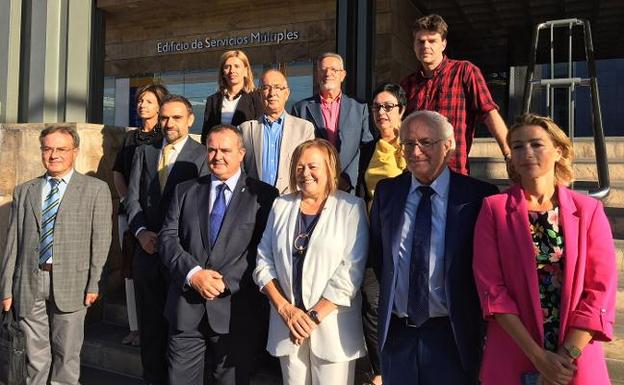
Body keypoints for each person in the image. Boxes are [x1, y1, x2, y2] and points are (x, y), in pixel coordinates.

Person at [472, 113, 616, 385]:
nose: (526, 152)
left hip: (575, 358)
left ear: (559, 151)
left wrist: (563, 358)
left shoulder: (588, 211)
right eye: (517, 146)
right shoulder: (494, 209)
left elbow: (599, 291)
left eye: (536, 144)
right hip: (514, 352)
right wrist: (539, 358)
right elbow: (492, 290)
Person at [369, 110, 498, 385]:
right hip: (399, 337)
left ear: (448, 145)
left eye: (426, 142)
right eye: (408, 143)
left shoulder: (478, 197)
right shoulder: (387, 193)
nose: (415, 151)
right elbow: (379, 258)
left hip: (452, 336)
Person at [159, 124, 278, 385]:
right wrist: (194, 274)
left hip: (236, 311)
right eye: (212, 150)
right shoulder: (185, 190)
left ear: (241, 153)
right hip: (186, 309)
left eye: (225, 150)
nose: (217, 156)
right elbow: (167, 239)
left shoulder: (264, 196)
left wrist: (225, 282)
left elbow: (262, 250)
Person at [0, 125, 112, 385]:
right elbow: (12, 244)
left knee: (66, 355)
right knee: (33, 356)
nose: (53, 155)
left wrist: (95, 282)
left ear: (74, 151)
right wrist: (6, 289)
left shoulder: (96, 190)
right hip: (28, 281)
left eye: (61, 149)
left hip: (73, 282)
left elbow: (102, 241)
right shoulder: (25, 190)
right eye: (47, 148)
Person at [253, 139, 368, 385]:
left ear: (329, 168)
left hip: (332, 331)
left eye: (313, 166)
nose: (305, 173)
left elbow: (350, 273)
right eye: (299, 167)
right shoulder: (281, 205)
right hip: (287, 326)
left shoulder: (351, 208)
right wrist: (286, 310)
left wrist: (312, 318)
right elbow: (263, 261)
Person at [125, 94, 209, 385]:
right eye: (164, 118)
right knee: (150, 331)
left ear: (190, 119)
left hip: (182, 258)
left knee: (180, 331)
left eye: (176, 117)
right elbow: (132, 200)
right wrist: (140, 233)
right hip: (147, 255)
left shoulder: (202, 155)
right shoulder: (144, 153)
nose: (168, 123)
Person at [400, 14, 510, 175]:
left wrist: (509, 155)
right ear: (414, 45)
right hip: (416, 175)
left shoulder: (465, 71)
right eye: (420, 41)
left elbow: (489, 113)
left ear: (443, 44)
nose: (425, 46)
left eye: (432, 41)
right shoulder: (407, 84)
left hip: (454, 173)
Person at [357, 82, 408, 385]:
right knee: (371, 300)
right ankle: (380, 370)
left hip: (407, 237)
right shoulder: (367, 148)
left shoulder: (413, 145)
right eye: (377, 107)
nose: (381, 113)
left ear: (402, 110)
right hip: (373, 235)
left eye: (388, 106)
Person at [112, 83, 169, 347]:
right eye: (140, 101)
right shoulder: (131, 138)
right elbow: (117, 172)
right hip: (132, 215)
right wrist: (127, 201)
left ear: (160, 105)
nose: (142, 105)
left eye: (148, 101)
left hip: (159, 214)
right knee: (131, 271)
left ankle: (158, 325)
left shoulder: (165, 135)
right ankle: (136, 327)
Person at [291, 52, 374, 193]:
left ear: (343, 75)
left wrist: (347, 179)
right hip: (314, 186)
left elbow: (366, 147)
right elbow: (298, 150)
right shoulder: (301, 109)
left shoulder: (360, 107)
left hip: (349, 187)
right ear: (317, 75)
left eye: (334, 70)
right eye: (323, 70)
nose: (328, 73)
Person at [239, 69, 315, 194]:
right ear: (259, 94)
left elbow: (308, 168)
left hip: (291, 201)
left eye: (278, 87)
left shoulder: (304, 129)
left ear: (287, 93)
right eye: (266, 88)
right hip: (255, 201)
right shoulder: (245, 130)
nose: (272, 93)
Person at [201, 50, 263, 144]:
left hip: (247, 154)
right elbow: (206, 135)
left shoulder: (257, 98)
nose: (232, 71)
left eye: (237, 66)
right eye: (227, 67)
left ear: (246, 71)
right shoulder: (213, 101)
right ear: (222, 72)